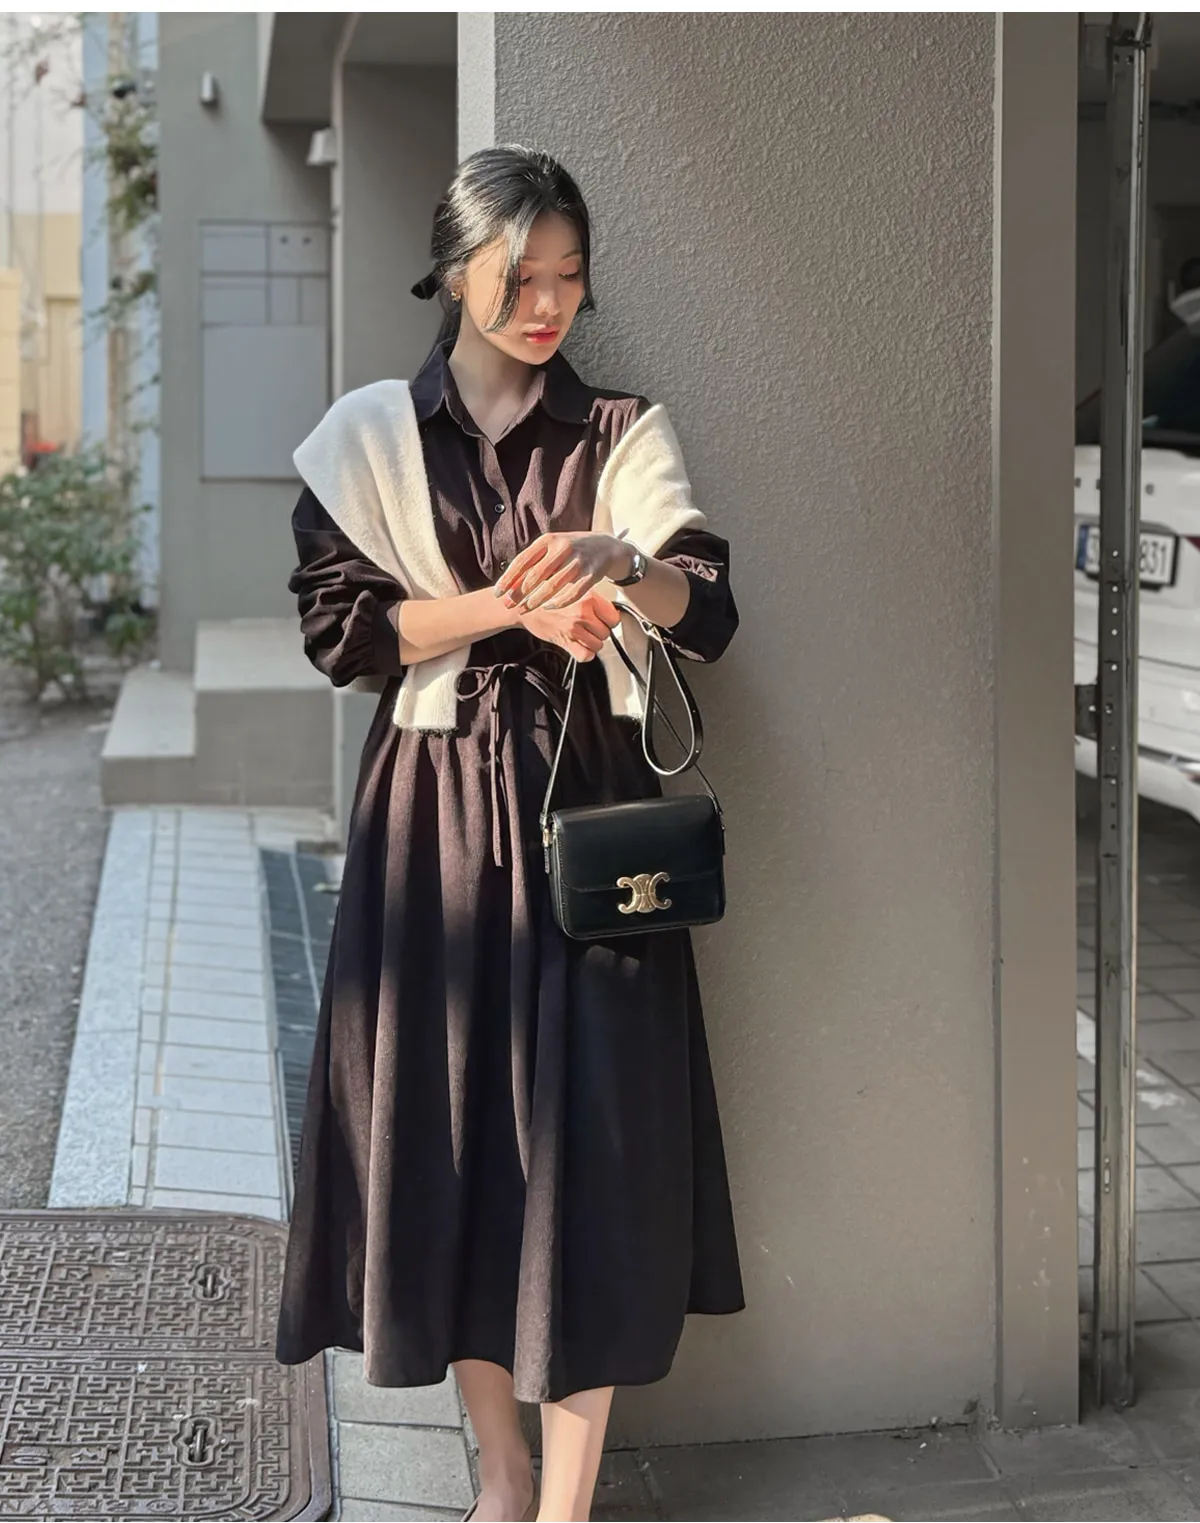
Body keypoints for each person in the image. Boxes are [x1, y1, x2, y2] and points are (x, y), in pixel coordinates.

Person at [273, 144, 745, 1523]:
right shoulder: (373, 436)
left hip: (591, 818)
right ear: (452, 272)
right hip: (430, 820)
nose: (547, 305)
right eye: (518, 277)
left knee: (596, 1144)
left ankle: (567, 1504)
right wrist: (507, 606)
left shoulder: (621, 436)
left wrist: (622, 563)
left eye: (569, 277)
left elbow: (709, 608)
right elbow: (344, 632)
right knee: (457, 1133)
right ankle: (500, 1470)